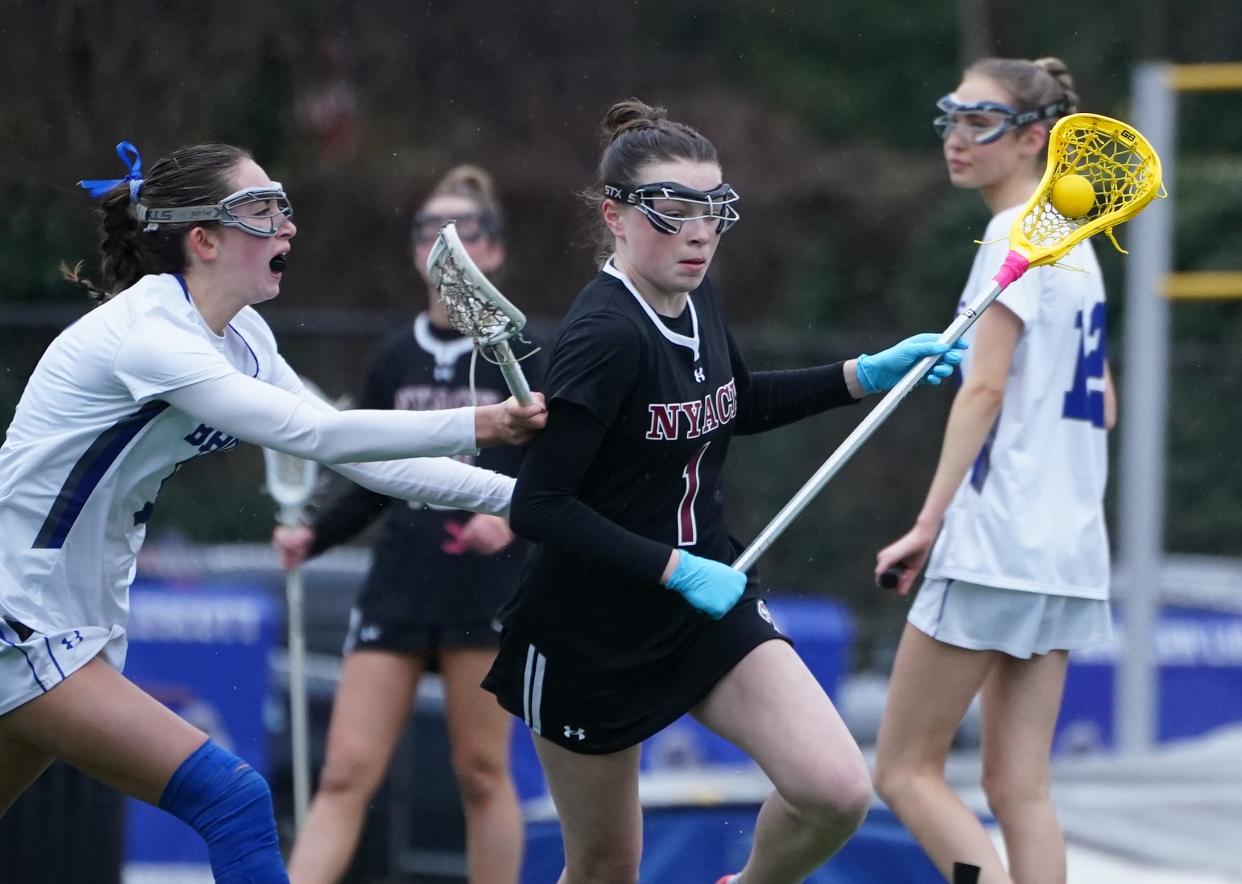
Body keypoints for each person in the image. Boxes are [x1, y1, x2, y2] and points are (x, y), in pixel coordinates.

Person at [0, 141, 545, 884]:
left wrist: (521, 498)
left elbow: (356, 455)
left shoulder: (245, 338)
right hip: (21, 614)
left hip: (75, 614)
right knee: (234, 799)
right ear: (205, 240)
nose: (287, 226)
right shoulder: (151, 336)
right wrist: (479, 425)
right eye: (262, 210)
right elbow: (318, 436)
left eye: (283, 205)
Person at [480, 98, 966, 884]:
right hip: (588, 635)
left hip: (706, 607)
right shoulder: (603, 337)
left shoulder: (697, 297)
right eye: (674, 210)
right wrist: (676, 570)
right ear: (616, 215)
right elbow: (538, 506)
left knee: (834, 792)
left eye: (713, 210)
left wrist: (868, 374)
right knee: (605, 867)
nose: (699, 231)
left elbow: (736, 402)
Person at [872, 58, 1114, 884]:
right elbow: (1104, 404)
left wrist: (927, 524)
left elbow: (983, 387)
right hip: (1070, 552)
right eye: (951, 117)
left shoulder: (1014, 234)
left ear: (1034, 139)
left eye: (982, 121)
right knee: (1021, 789)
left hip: (997, 540)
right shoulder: (1077, 247)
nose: (957, 137)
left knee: (903, 770)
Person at [273, 164, 542, 884]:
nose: (445, 242)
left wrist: (514, 522)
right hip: (399, 582)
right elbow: (369, 470)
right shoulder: (394, 356)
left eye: (465, 230)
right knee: (343, 773)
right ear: (414, 248)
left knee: (482, 774)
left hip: (483, 588)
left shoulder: (521, 354)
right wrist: (315, 535)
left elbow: (556, 466)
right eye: (429, 229)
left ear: (493, 251)